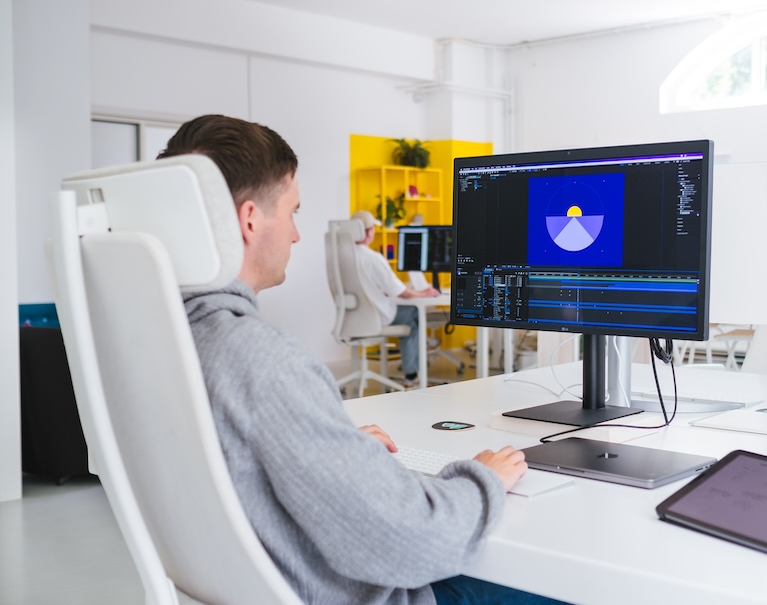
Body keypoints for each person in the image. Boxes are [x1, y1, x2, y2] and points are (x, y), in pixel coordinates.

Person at [158, 115, 561, 604]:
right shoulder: (262, 360)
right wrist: (483, 479)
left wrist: (332, 446)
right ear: (249, 220)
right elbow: (415, 542)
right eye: (292, 213)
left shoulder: (160, 340)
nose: (296, 235)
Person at [350, 209, 439, 388]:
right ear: (368, 233)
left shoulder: (345, 255)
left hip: (353, 319)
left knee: (408, 313)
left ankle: (412, 368)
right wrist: (423, 293)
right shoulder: (373, 258)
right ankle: (412, 375)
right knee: (414, 313)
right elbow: (400, 292)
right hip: (378, 317)